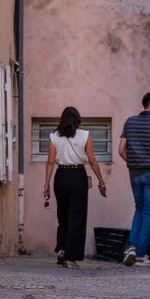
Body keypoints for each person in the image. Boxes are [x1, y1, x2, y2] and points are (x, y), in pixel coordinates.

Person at [43, 106, 107, 268]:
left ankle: (62, 248)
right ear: (77, 119)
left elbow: (50, 162)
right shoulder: (85, 135)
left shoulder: (54, 136)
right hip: (78, 176)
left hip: (61, 176)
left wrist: (46, 183)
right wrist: (101, 181)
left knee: (63, 215)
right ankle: (71, 258)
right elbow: (92, 160)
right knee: (76, 217)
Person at [117, 91, 150, 266]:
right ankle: (140, 255)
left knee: (139, 209)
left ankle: (131, 248)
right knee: (148, 213)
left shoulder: (130, 122)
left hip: (135, 173)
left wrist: (131, 163)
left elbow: (120, 150)